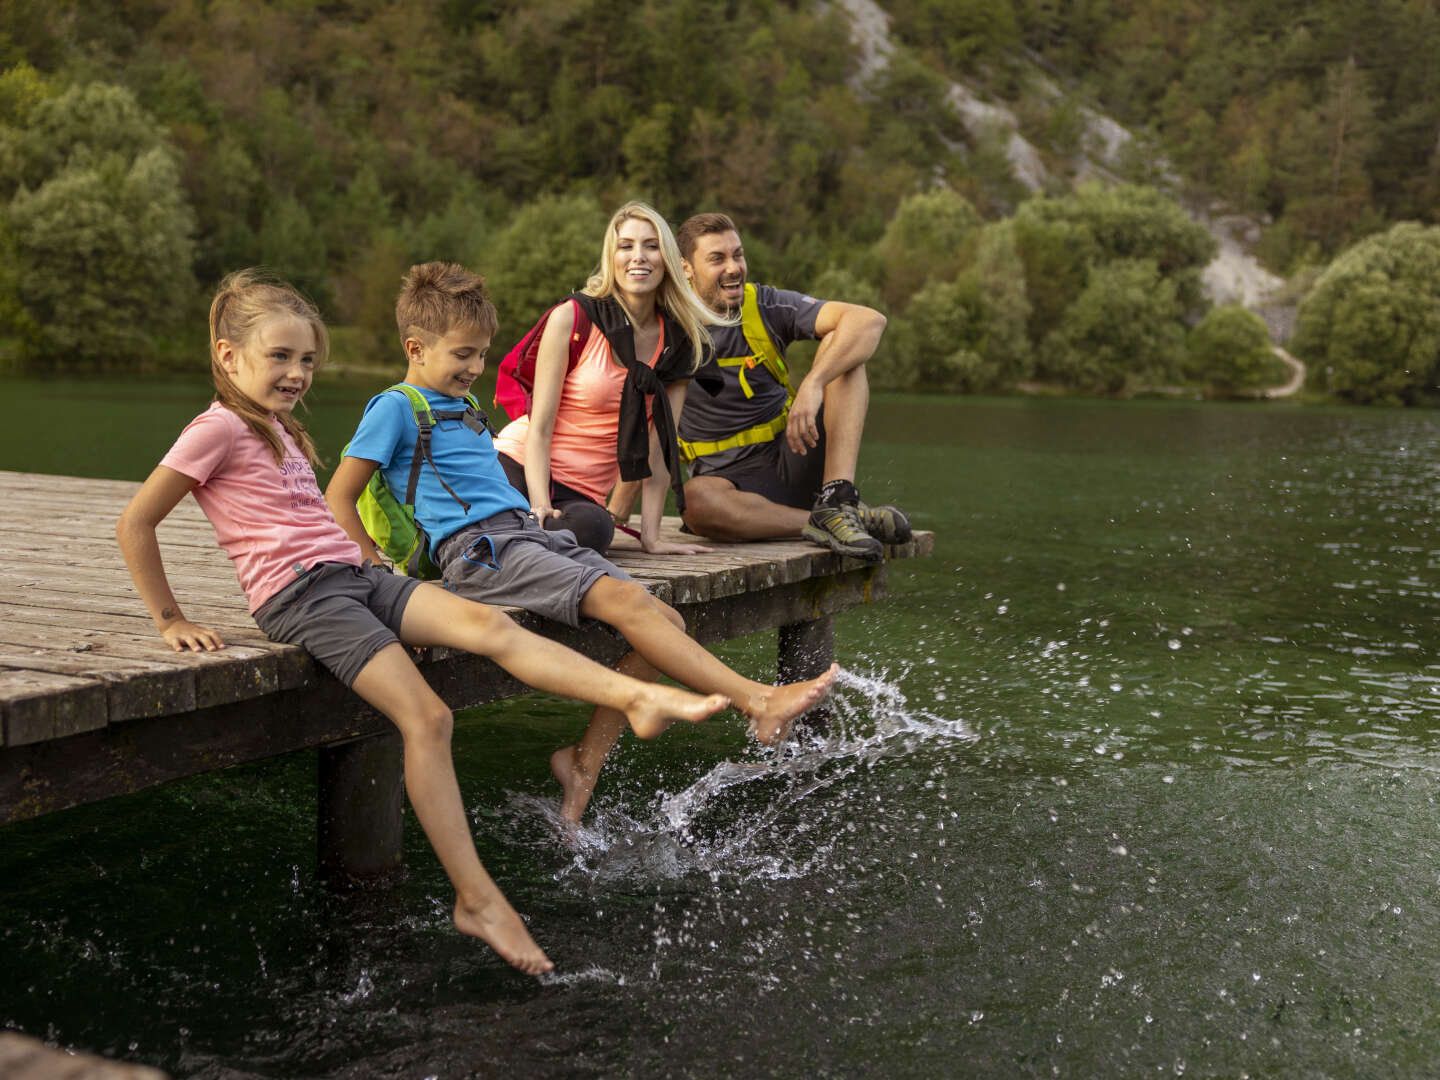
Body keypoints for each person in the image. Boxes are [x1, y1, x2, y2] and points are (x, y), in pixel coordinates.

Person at [115, 270, 734, 977]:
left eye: (308, 360)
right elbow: (136, 522)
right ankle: (476, 898)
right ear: (228, 357)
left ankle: (634, 695)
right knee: (428, 717)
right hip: (305, 599)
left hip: (358, 578)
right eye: (279, 357)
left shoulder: (281, 427)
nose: (297, 373)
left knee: (499, 630)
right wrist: (170, 620)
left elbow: (319, 516)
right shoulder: (217, 427)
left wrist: (370, 556)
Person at [325, 262, 839, 823]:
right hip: (479, 552)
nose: (476, 367)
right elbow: (339, 498)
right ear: (415, 348)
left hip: (526, 534)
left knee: (665, 621)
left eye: (481, 354)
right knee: (624, 602)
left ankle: (582, 763)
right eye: (462, 355)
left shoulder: (467, 408)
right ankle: (757, 700)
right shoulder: (396, 407)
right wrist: (377, 569)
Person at [653, 212, 912, 563]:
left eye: (738, 255)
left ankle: (837, 498)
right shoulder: (663, 323)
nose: (733, 267)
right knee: (694, 502)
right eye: (717, 258)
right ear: (686, 268)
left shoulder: (764, 304)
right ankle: (828, 520)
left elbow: (868, 321)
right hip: (727, 489)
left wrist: (813, 383)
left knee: (846, 359)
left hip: (794, 454)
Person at [490, 201, 721, 556]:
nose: (638, 256)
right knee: (502, 506)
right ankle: (518, 532)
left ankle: (510, 541)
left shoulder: (680, 343)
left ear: (669, 259)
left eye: (651, 245)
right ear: (611, 256)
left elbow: (661, 450)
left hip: (582, 493)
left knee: (596, 531)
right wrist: (538, 504)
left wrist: (651, 537)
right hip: (521, 464)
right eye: (626, 246)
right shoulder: (573, 318)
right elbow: (540, 425)